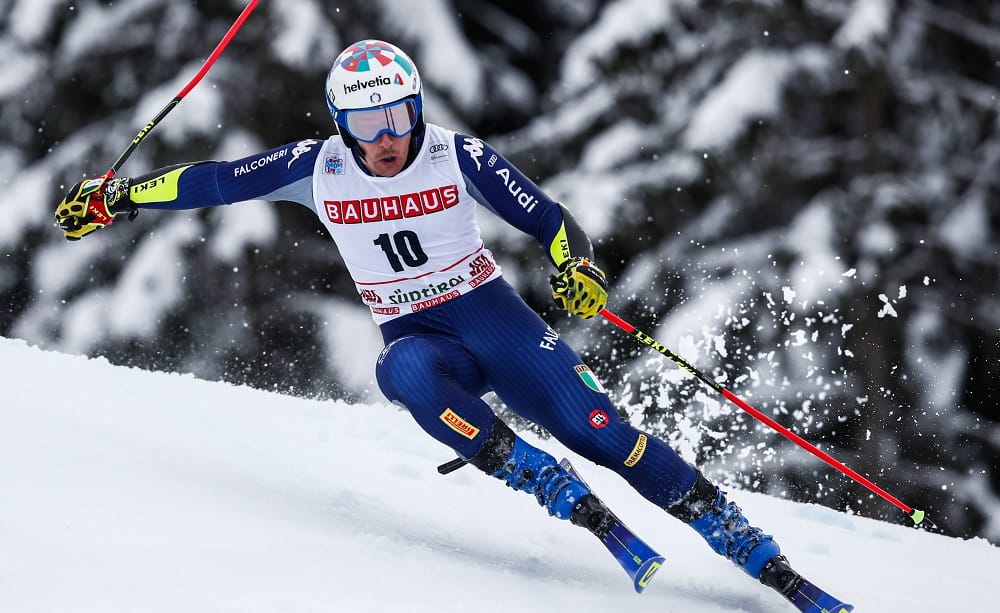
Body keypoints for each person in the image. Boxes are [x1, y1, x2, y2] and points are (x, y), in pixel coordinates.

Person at [56, 40, 806, 599]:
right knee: (402, 372)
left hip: (495, 321)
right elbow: (215, 181)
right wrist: (118, 197)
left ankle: (745, 541)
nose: (387, 136)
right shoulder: (319, 167)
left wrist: (576, 265)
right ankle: (539, 477)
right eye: (368, 121)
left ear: (416, 106)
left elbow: (547, 215)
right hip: (420, 337)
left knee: (601, 432)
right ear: (342, 125)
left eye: (398, 114)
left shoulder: (455, 154)